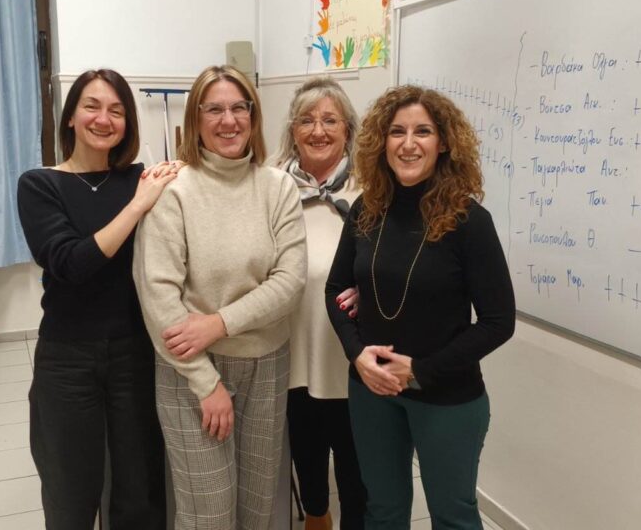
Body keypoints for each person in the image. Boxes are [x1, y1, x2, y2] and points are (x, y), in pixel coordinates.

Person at [324, 85, 516, 530]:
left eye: (423, 132)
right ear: (382, 141)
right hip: (372, 389)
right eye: (397, 132)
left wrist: (420, 370)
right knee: (383, 512)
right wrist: (357, 354)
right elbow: (335, 288)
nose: (408, 144)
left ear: (444, 143)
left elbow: (498, 321)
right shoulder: (366, 210)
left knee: (453, 516)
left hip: (446, 395)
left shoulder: (469, 221)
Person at [132, 64, 307, 530]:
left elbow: (290, 282)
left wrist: (218, 323)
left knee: (257, 508)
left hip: (267, 365)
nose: (228, 121)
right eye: (214, 110)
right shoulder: (174, 191)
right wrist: (206, 383)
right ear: (195, 119)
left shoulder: (278, 187)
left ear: (253, 115)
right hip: (190, 368)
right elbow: (158, 296)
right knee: (208, 513)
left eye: (238, 108)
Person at [17, 69, 179, 530]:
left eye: (116, 110)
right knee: (70, 490)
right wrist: (138, 205)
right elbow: (71, 262)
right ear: (70, 116)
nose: (103, 119)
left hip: (136, 353)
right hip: (67, 358)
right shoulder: (40, 184)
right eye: (91, 106)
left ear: (127, 123)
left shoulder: (141, 178)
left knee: (139, 490)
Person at [274, 77, 367, 530]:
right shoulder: (273, 187)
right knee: (307, 463)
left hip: (351, 357)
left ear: (348, 129)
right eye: (306, 120)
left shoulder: (373, 188)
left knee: (356, 473)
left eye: (330, 120)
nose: (318, 131)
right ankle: (317, 517)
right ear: (292, 131)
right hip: (292, 353)